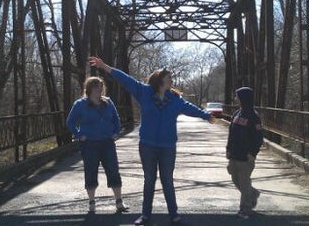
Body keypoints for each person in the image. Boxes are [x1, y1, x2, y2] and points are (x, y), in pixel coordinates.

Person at [89, 56, 215, 225]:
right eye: (169, 77)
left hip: (168, 147)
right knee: (149, 179)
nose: (172, 80)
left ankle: (173, 214)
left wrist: (206, 115)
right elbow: (126, 79)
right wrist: (105, 67)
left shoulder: (175, 100)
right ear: (160, 80)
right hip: (147, 145)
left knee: (167, 180)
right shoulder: (144, 92)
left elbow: (190, 108)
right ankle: (145, 215)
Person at [66, 76, 129, 213]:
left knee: (113, 170)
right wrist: (78, 135)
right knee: (90, 171)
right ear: (89, 89)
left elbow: (116, 119)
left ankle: (119, 201)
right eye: (96, 87)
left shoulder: (108, 102)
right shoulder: (80, 104)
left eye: (101, 87)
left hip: (107, 143)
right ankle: (92, 202)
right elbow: (70, 122)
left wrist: (116, 132)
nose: (99, 90)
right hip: (89, 144)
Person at [226, 87, 264, 219]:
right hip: (234, 154)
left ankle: (245, 208)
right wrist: (228, 150)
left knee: (244, 181)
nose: (235, 98)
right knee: (235, 179)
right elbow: (231, 134)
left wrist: (252, 153)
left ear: (244, 98)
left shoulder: (253, 116)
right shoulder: (237, 113)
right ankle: (253, 194)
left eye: (237, 96)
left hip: (246, 156)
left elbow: (258, 138)